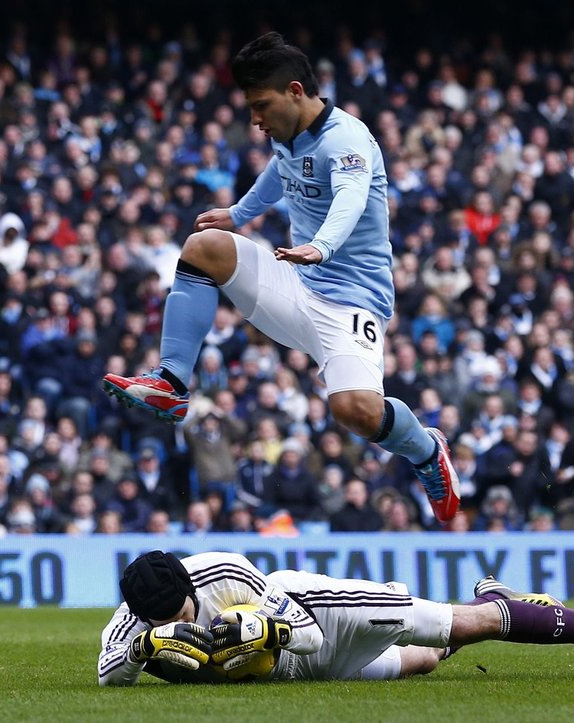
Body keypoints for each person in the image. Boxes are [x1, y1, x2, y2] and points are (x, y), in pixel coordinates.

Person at [102, 32, 459, 522]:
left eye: (260, 105)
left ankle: (425, 451)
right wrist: (239, 214)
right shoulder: (288, 136)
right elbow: (281, 171)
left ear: (295, 90)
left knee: (356, 412)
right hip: (296, 281)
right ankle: (172, 383)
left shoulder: (348, 140)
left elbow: (351, 198)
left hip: (351, 302)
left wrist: (322, 246)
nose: (254, 119)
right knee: (203, 248)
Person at [97, 550, 574, 686]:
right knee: (426, 663)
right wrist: (149, 648)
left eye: (183, 612)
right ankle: (496, 596)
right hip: (290, 677)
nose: (182, 621)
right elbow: (108, 673)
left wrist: (265, 628)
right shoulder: (133, 623)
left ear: (190, 586)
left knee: (463, 627)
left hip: (319, 614)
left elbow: (309, 634)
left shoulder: (225, 571)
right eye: (162, 620)